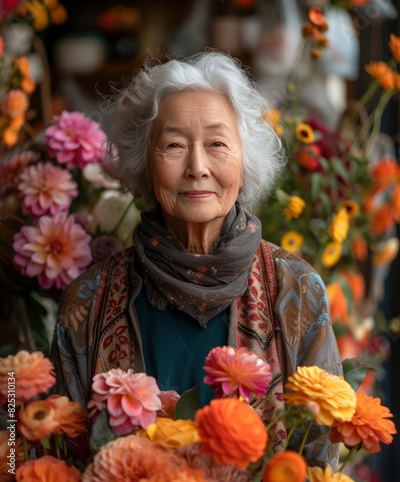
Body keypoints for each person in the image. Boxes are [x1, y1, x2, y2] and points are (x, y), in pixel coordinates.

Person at [50, 50, 342, 469]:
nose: (197, 167)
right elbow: (49, 457)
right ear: (144, 163)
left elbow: (322, 462)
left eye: (217, 144)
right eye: (174, 145)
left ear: (245, 161)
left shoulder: (296, 290)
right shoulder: (88, 302)